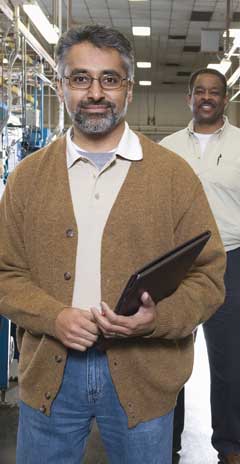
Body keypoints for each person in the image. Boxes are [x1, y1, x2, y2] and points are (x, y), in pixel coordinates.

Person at [0, 25, 226, 464]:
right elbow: (5, 272)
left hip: (143, 376)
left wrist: (158, 318)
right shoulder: (28, 178)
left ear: (128, 89)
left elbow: (209, 276)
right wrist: (54, 316)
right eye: (81, 78)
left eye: (110, 79)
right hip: (51, 369)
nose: (95, 93)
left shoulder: (172, 176)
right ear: (62, 86)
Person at [160, 68, 240, 464]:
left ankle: (230, 445)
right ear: (189, 98)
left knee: (228, 363)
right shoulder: (166, 149)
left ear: (226, 99)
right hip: (177, 263)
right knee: (169, 357)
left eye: (215, 92)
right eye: (200, 92)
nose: (207, 98)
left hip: (233, 260)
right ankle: (165, 442)